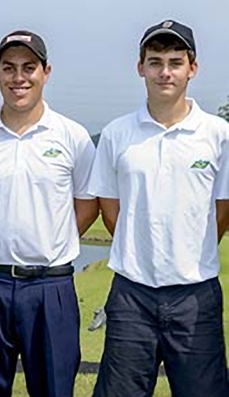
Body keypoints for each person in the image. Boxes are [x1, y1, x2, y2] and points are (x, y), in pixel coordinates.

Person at [0, 30, 98, 397]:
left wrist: (52, 237)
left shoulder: (72, 136)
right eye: (9, 68)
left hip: (52, 287)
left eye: (29, 68)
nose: (19, 78)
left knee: (54, 389)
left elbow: (87, 203)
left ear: (45, 72)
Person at [89, 19, 229, 397]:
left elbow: (221, 211)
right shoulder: (117, 134)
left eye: (175, 61)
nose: (164, 71)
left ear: (192, 68)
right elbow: (110, 209)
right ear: (141, 68)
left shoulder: (218, 135)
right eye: (155, 61)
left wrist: (187, 253)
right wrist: (142, 249)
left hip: (196, 296)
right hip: (132, 295)